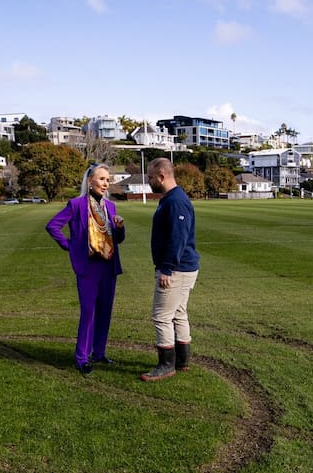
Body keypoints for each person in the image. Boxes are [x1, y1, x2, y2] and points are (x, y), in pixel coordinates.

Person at [46, 163, 125, 374]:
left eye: (108, 180)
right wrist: (69, 245)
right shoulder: (76, 204)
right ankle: (82, 357)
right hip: (88, 268)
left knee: (105, 312)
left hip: (108, 267)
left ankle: (99, 353)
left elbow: (118, 240)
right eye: (101, 179)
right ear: (90, 181)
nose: (105, 184)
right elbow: (52, 226)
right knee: (88, 312)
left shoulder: (111, 207)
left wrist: (120, 228)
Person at [141, 157, 199, 382]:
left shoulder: (175, 202)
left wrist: (166, 269)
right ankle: (182, 361)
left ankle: (166, 364)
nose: (148, 181)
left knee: (162, 316)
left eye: (150, 177)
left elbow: (178, 239)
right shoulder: (171, 199)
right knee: (178, 313)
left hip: (176, 269)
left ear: (162, 176)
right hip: (183, 268)